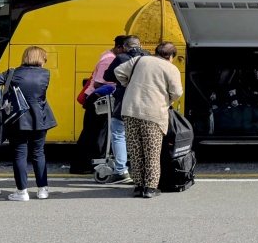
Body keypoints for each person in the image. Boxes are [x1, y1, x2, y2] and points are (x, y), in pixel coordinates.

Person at [113, 41, 183, 198]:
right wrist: (166, 100)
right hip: (153, 114)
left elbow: (118, 71)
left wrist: (129, 85)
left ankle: (138, 186)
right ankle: (150, 188)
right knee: (152, 152)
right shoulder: (171, 68)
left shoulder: (140, 60)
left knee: (135, 150)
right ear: (171, 55)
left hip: (131, 110)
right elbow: (177, 92)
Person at [0, 46, 57, 201]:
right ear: (40, 59)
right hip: (41, 118)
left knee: (20, 153)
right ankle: (42, 189)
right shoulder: (46, 74)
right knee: (38, 153)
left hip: (19, 119)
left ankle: (22, 191)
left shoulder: (14, 73)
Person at [72, 35, 128, 178]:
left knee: (94, 132)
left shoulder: (109, 55)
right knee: (94, 133)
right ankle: (83, 165)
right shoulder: (108, 60)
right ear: (119, 47)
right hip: (98, 100)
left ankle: (84, 164)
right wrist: (119, 84)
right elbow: (98, 83)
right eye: (125, 49)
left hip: (100, 100)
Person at [102, 35, 148, 182]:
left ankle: (121, 170)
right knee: (143, 136)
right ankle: (143, 171)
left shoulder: (121, 58)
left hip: (125, 101)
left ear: (126, 47)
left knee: (118, 132)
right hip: (146, 102)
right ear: (139, 45)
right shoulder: (149, 57)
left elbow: (107, 76)